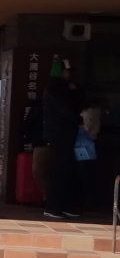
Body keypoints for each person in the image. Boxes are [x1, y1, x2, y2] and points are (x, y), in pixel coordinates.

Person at [42, 58, 82, 219]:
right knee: (60, 170)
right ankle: (53, 207)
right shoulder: (55, 88)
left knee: (67, 170)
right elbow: (65, 109)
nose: (69, 74)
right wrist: (77, 119)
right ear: (60, 71)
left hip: (64, 134)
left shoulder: (63, 87)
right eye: (67, 70)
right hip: (60, 135)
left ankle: (64, 206)